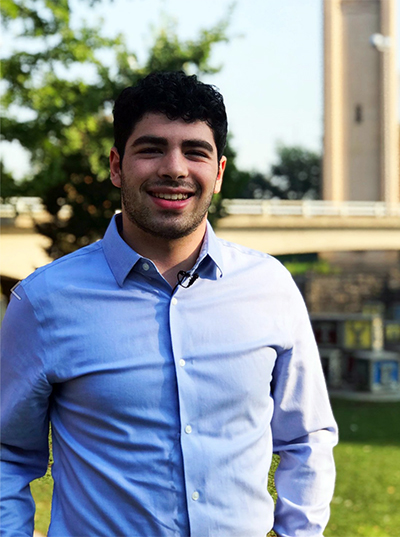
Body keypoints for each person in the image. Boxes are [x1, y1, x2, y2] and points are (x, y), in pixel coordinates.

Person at [1, 71, 337, 537]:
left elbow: (307, 438)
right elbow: (6, 454)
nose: (175, 168)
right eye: (152, 148)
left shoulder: (271, 289)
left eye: (195, 151)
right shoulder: (44, 302)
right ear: (117, 166)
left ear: (218, 172)